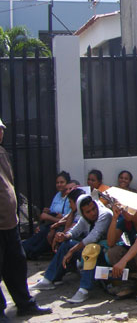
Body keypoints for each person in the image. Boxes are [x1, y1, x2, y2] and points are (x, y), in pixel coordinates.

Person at [0, 118, 52, 320]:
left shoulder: (3, 153)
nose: (1, 133)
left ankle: (25, 304)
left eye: (2, 129)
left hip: (9, 222)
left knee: (17, 264)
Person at [30, 192, 113, 304]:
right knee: (67, 244)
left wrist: (72, 250)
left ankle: (84, 289)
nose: (93, 213)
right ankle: (49, 279)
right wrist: (64, 236)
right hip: (93, 250)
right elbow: (75, 230)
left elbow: (93, 237)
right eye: (88, 212)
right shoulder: (84, 218)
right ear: (82, 213)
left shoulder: (105, 214)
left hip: (107, 252)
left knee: (90, 249)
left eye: (93, 209)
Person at [22, 171, 74, 259]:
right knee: (39, 233)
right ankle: (24, 250)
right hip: (51, 224)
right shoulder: (57, 195)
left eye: (62, 182)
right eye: (57, 182)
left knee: (45, 235)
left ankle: (26, 252)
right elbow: (54, 212)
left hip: (60, 226)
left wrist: (48, 217)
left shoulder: (70, 198)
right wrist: (49, 212)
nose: (59, 185)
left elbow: (66, 219)